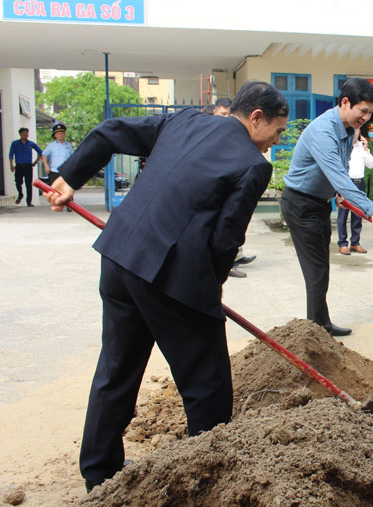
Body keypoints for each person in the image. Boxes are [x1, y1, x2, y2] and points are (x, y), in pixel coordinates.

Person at [42, 81, 289, 492]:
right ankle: (206, 481)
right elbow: (225, 240)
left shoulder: (186, 121)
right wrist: (210, 290)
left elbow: (110, 130)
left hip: (119, 257)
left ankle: (99, 475)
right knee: (207, 383)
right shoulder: (252, 164)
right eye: (277, 132)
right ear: (256, 117)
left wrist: (69, 176)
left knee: (116, 369)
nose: (274, 144)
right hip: (169, 276)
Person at [280, 78, 373, 337]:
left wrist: (337, 193)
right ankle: (316, 332)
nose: (366, 117)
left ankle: (321, 324)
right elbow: (338, 173)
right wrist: (372, 210)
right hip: (301, 204)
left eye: (370, 113)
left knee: (320, 269)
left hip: (318, 203)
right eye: (363, 111)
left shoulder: (347, 129)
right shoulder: (324, 131)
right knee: (316, 270)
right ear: (345, 102)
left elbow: (336, 175)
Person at [212, 97, 254, 278]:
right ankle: (226, 264)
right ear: (214, 113)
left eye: (229, 114)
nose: (226, 118)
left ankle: (236, 256)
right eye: (222, 114)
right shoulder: (211, 133)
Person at [337, 127, 373, 255]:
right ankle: (342, 243)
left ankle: (355, 243)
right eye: (353, 131)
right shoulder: (342, 145)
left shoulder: (361, 147)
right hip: (346, 183)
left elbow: (370, 164)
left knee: (358, 214)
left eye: (357, 132)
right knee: (343, 214)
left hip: (359, 183)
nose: (355, 134)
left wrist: (366, 149)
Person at [8, 127, 44, 207]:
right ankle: (20, 194)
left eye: (26, 133)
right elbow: (11, 155)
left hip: (28, 166)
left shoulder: (31, 144)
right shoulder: (15, 143)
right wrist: (11, 165)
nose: (25, 134)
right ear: (20, 134)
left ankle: (29, 202)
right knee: (18, 182)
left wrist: (35, 162)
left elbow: (41, 152)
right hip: (19, 166)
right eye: (23, 133)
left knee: (28, 184)